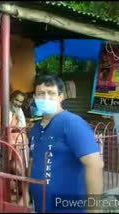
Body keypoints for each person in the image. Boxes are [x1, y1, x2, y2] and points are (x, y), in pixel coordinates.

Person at [27, 74, 104, 213]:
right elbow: (33, 161)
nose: (46, 98)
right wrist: (26, 195)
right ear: (34, 97)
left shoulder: (72, 124)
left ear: (61, 96)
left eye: (51, 93)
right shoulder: (36, 129)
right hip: (42, 206)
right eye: (41, 93)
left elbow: (95, 164)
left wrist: (93, 210)